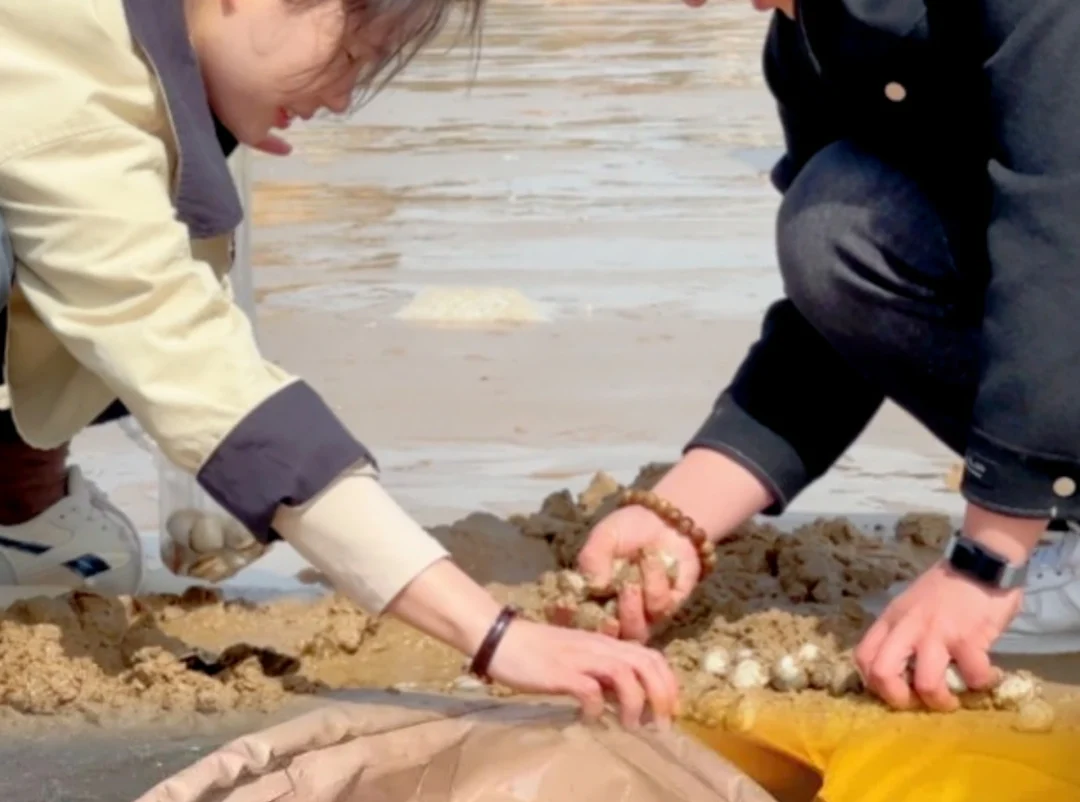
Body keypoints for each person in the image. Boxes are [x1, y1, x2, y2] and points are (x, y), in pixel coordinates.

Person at [0, 0, 678, 728]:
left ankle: (23, 517)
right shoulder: (67, 75)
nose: (343, 96)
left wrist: (198, 134)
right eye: (351, 56)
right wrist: (492, 635)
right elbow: (183, 356)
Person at [578, 0, 1080, 712]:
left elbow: (1061, 242)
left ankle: (1047, 512)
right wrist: (679, 515)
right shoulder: (809, 44)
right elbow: (835, 314)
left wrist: (988, 559)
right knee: (837, 223)